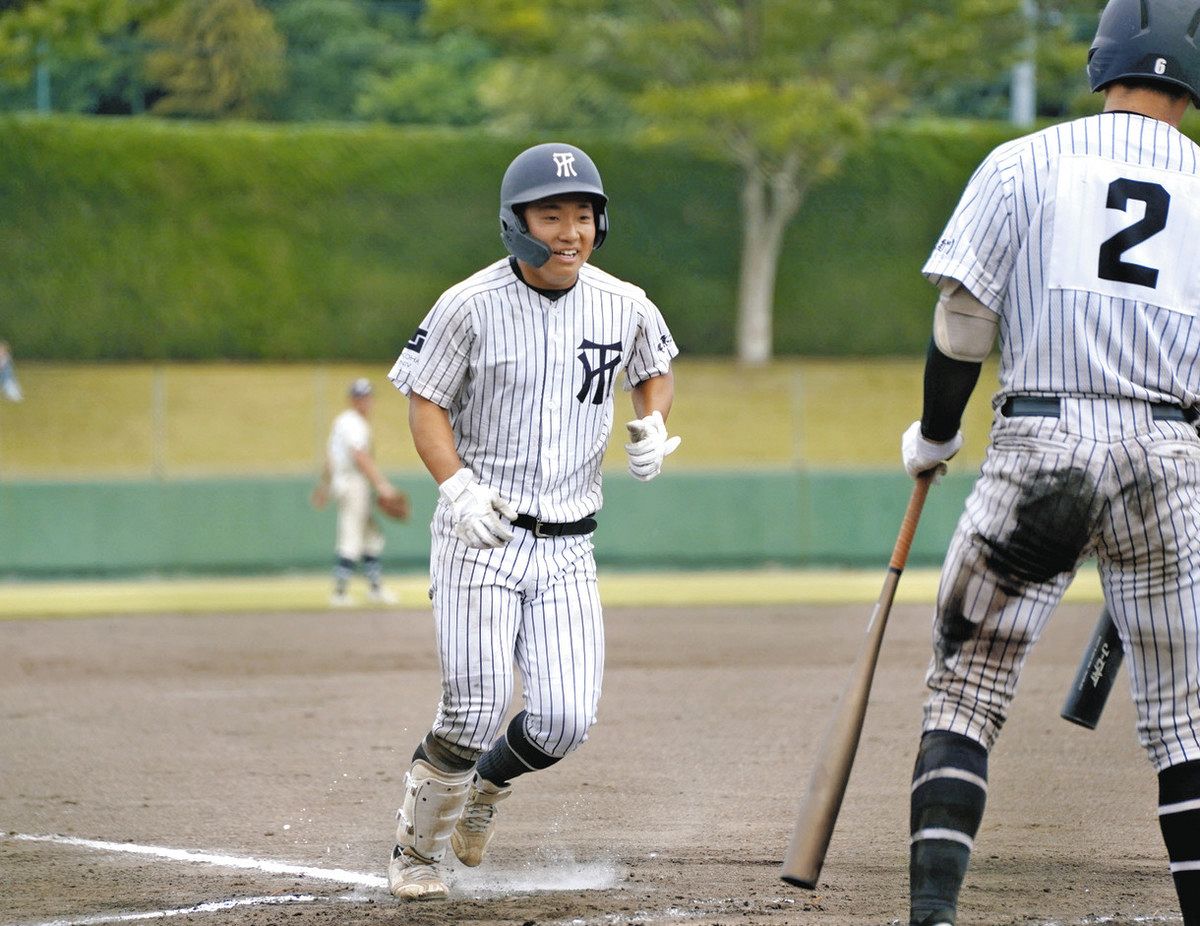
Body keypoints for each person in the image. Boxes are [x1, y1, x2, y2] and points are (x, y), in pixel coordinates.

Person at [899, 2, 1200, 923]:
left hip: (1040, 444)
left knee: (967, 690)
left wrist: (935, 435)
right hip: (1168, 450)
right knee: (1186, 720)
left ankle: (933, 916)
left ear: (1099, 63)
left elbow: (963, 324)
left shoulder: (1023, 162)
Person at [382, 141, 680, 900]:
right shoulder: (467, 305)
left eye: (584, 214)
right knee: (475, 708)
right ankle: (416, 856)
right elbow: (426, 402)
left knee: (564, 721)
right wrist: (456, 490)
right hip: (482, 534)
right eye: (553, 215)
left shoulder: (624, 302)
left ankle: (486, 788)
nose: (571, 231)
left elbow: (655, 369)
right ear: (516, 223)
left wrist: (650, 423)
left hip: (569, 547)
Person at [311, 377, 409, 607]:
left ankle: (374, 589)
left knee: (371, 537)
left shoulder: (342, 422)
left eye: (367, 396)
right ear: (352, 400)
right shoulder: (354, 423)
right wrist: (382, 485)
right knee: (351, 536)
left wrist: (325, 487)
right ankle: (339, 594)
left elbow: (330, 458)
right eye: (360, 397)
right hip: (353, 482)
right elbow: (360, 456)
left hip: (345, 482)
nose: (364, 401)